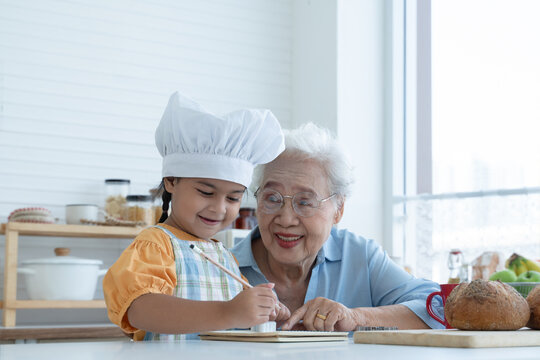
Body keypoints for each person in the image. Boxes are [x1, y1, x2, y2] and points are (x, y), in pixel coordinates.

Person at [103, 92, 288, 341]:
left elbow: (237, 322)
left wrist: (264, 310)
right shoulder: (156, 244)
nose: (219, 208)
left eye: (233, 198)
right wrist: (228, 312)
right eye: (205, 192)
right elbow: (139, 309)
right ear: (170, 181)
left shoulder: (224, 256)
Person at [231, 122, 444, 331]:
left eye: (304, 202)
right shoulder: (224, 266)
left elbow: (437, 307)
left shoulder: (361, 257)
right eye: (272, 198)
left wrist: (356, 317)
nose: (286, 219)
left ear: (338, 209)